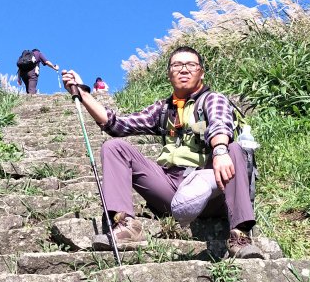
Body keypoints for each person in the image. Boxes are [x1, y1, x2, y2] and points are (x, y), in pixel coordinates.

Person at [61, 45, 262, 259]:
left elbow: (220, 123)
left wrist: (221, 151)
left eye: (191, 65)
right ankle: (126, 226)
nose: (184, 69)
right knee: (114, 147)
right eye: (177, 65)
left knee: (234, 148)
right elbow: (117, 125)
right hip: (170, 185)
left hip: (212, 187)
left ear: (201, 72)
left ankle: (240, 235)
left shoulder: (212, 99)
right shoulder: (164, 109)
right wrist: (83, 94)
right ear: (169, 74)